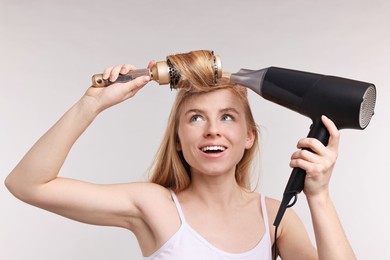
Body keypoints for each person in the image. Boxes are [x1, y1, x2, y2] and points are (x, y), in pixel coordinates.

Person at [5, 50, 355, 259]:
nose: (212, 130)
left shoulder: (274, 219)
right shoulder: (154, 206)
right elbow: (27, 184)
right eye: (196, 118)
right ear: (177, 139)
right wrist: (89, 105)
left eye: (227, 117)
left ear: (249, 136)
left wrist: (319, 196)